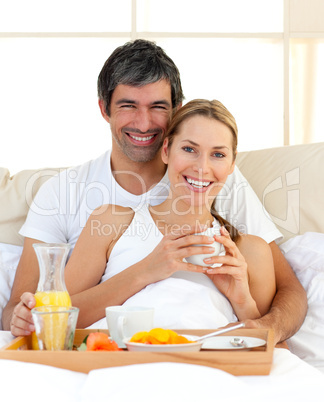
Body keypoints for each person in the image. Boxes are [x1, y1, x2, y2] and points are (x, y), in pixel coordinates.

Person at [2, 39, 306, 345]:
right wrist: (26, 318)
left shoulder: (218, 180)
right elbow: (28, 309)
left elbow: (286, 291)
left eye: (158, 106)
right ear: (104, 109)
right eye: (128, 105)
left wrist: (265, 327)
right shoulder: (66, 194)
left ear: (175, 110)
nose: (144, 123)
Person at [65, 99, 276, 329]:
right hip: (117, 360)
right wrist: (145, 271)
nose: (202, 168)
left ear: (232, 163)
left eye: (218, 155)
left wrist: (242, 301)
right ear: (166, 151)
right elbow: (57, 320)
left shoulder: (249, 252)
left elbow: (277, 353)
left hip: (203, 363)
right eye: (189, 149)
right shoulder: (110, 222)